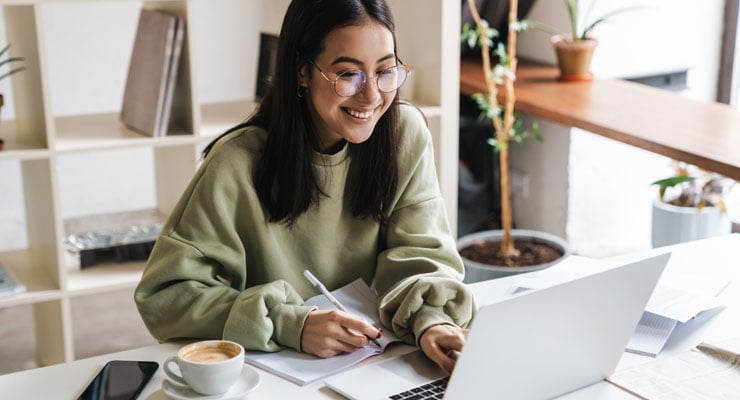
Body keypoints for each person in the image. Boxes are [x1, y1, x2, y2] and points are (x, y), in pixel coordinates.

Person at [134, 0, 474, 373]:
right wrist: (291, 323)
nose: (373, 96)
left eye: (385, 71)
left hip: (377, 360)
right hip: (273, 373)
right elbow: (166, 296)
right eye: (349, 75)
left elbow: (422, 253)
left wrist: (433, 321)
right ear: (301, 71)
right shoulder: (236, 162)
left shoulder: (404, 133)